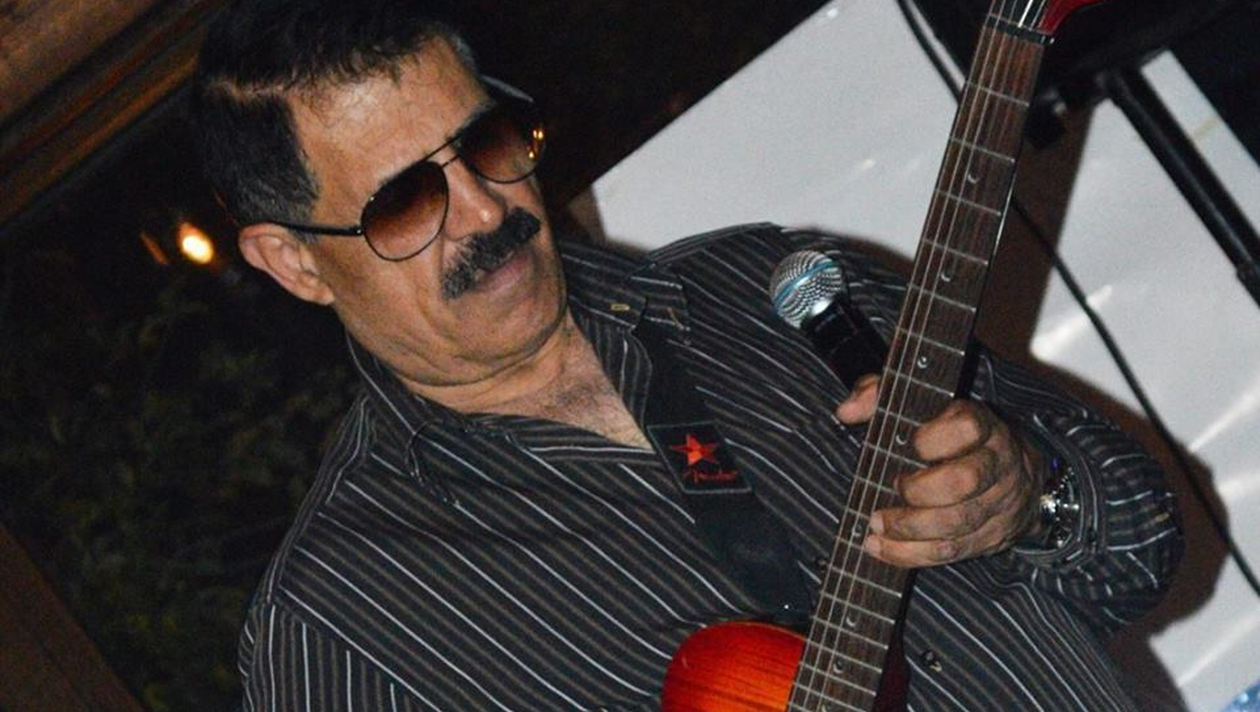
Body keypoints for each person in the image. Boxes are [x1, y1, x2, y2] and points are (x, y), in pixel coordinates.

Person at [192, 1, 1182, 710]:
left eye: (487, 143)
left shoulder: (766, 285)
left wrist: (1032, 497)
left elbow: (1143, 548)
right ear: (294, 261)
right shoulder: (340, 624)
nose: (488, 212)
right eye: (408, 200)